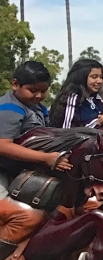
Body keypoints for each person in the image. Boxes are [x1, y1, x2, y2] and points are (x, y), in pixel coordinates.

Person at [0, 61, 68, 194]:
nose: (38, 96)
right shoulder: (9, 108)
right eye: (32, 90)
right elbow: (3, 145)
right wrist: (45, 158)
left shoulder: (39, 108)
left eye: (43, 91)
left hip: (23, 169)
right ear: (15, 84)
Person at [49, 57, 103, 129]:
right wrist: (95, 124)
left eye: (101, 77)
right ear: (81, 77)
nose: (100, 81)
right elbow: (67, 131)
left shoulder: (98, 100)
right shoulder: (72, 99)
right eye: (94, 77)